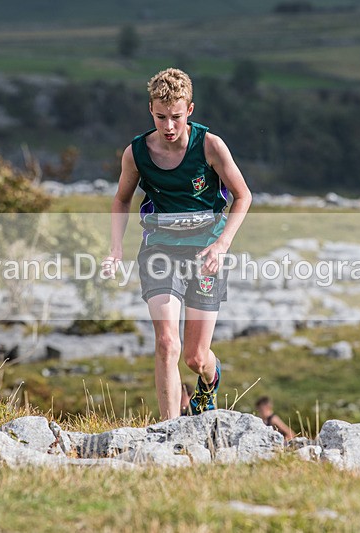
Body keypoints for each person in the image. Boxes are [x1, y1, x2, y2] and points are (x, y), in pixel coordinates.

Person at [101, 67, 252, 420]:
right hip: (160, 250)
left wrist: (222, 245)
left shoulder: (211, 146)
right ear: (150, 111)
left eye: (176, 117)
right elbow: (121, 200)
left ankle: (210, 382)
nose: (168, 126)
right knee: (167, 342)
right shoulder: (136, 153)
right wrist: (116, 248)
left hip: (206, 254)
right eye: (160, 117)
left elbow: (243, 196)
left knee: (195, 357)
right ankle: (168, 431)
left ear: (190, 111)